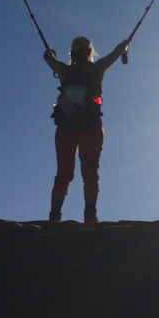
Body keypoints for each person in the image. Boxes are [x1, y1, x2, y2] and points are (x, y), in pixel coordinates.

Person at [43, 36, 129, 224]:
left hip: (66, 126)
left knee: (64, 174)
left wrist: (49, 54)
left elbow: (48, 59)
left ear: (72, 52)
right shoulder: (96, 69)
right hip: (91, 125)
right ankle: (90, 215)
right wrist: (124, 45)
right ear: (90, 52)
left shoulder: (65, 70)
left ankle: (54, 216)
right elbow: (115, 54)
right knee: (90, 172)